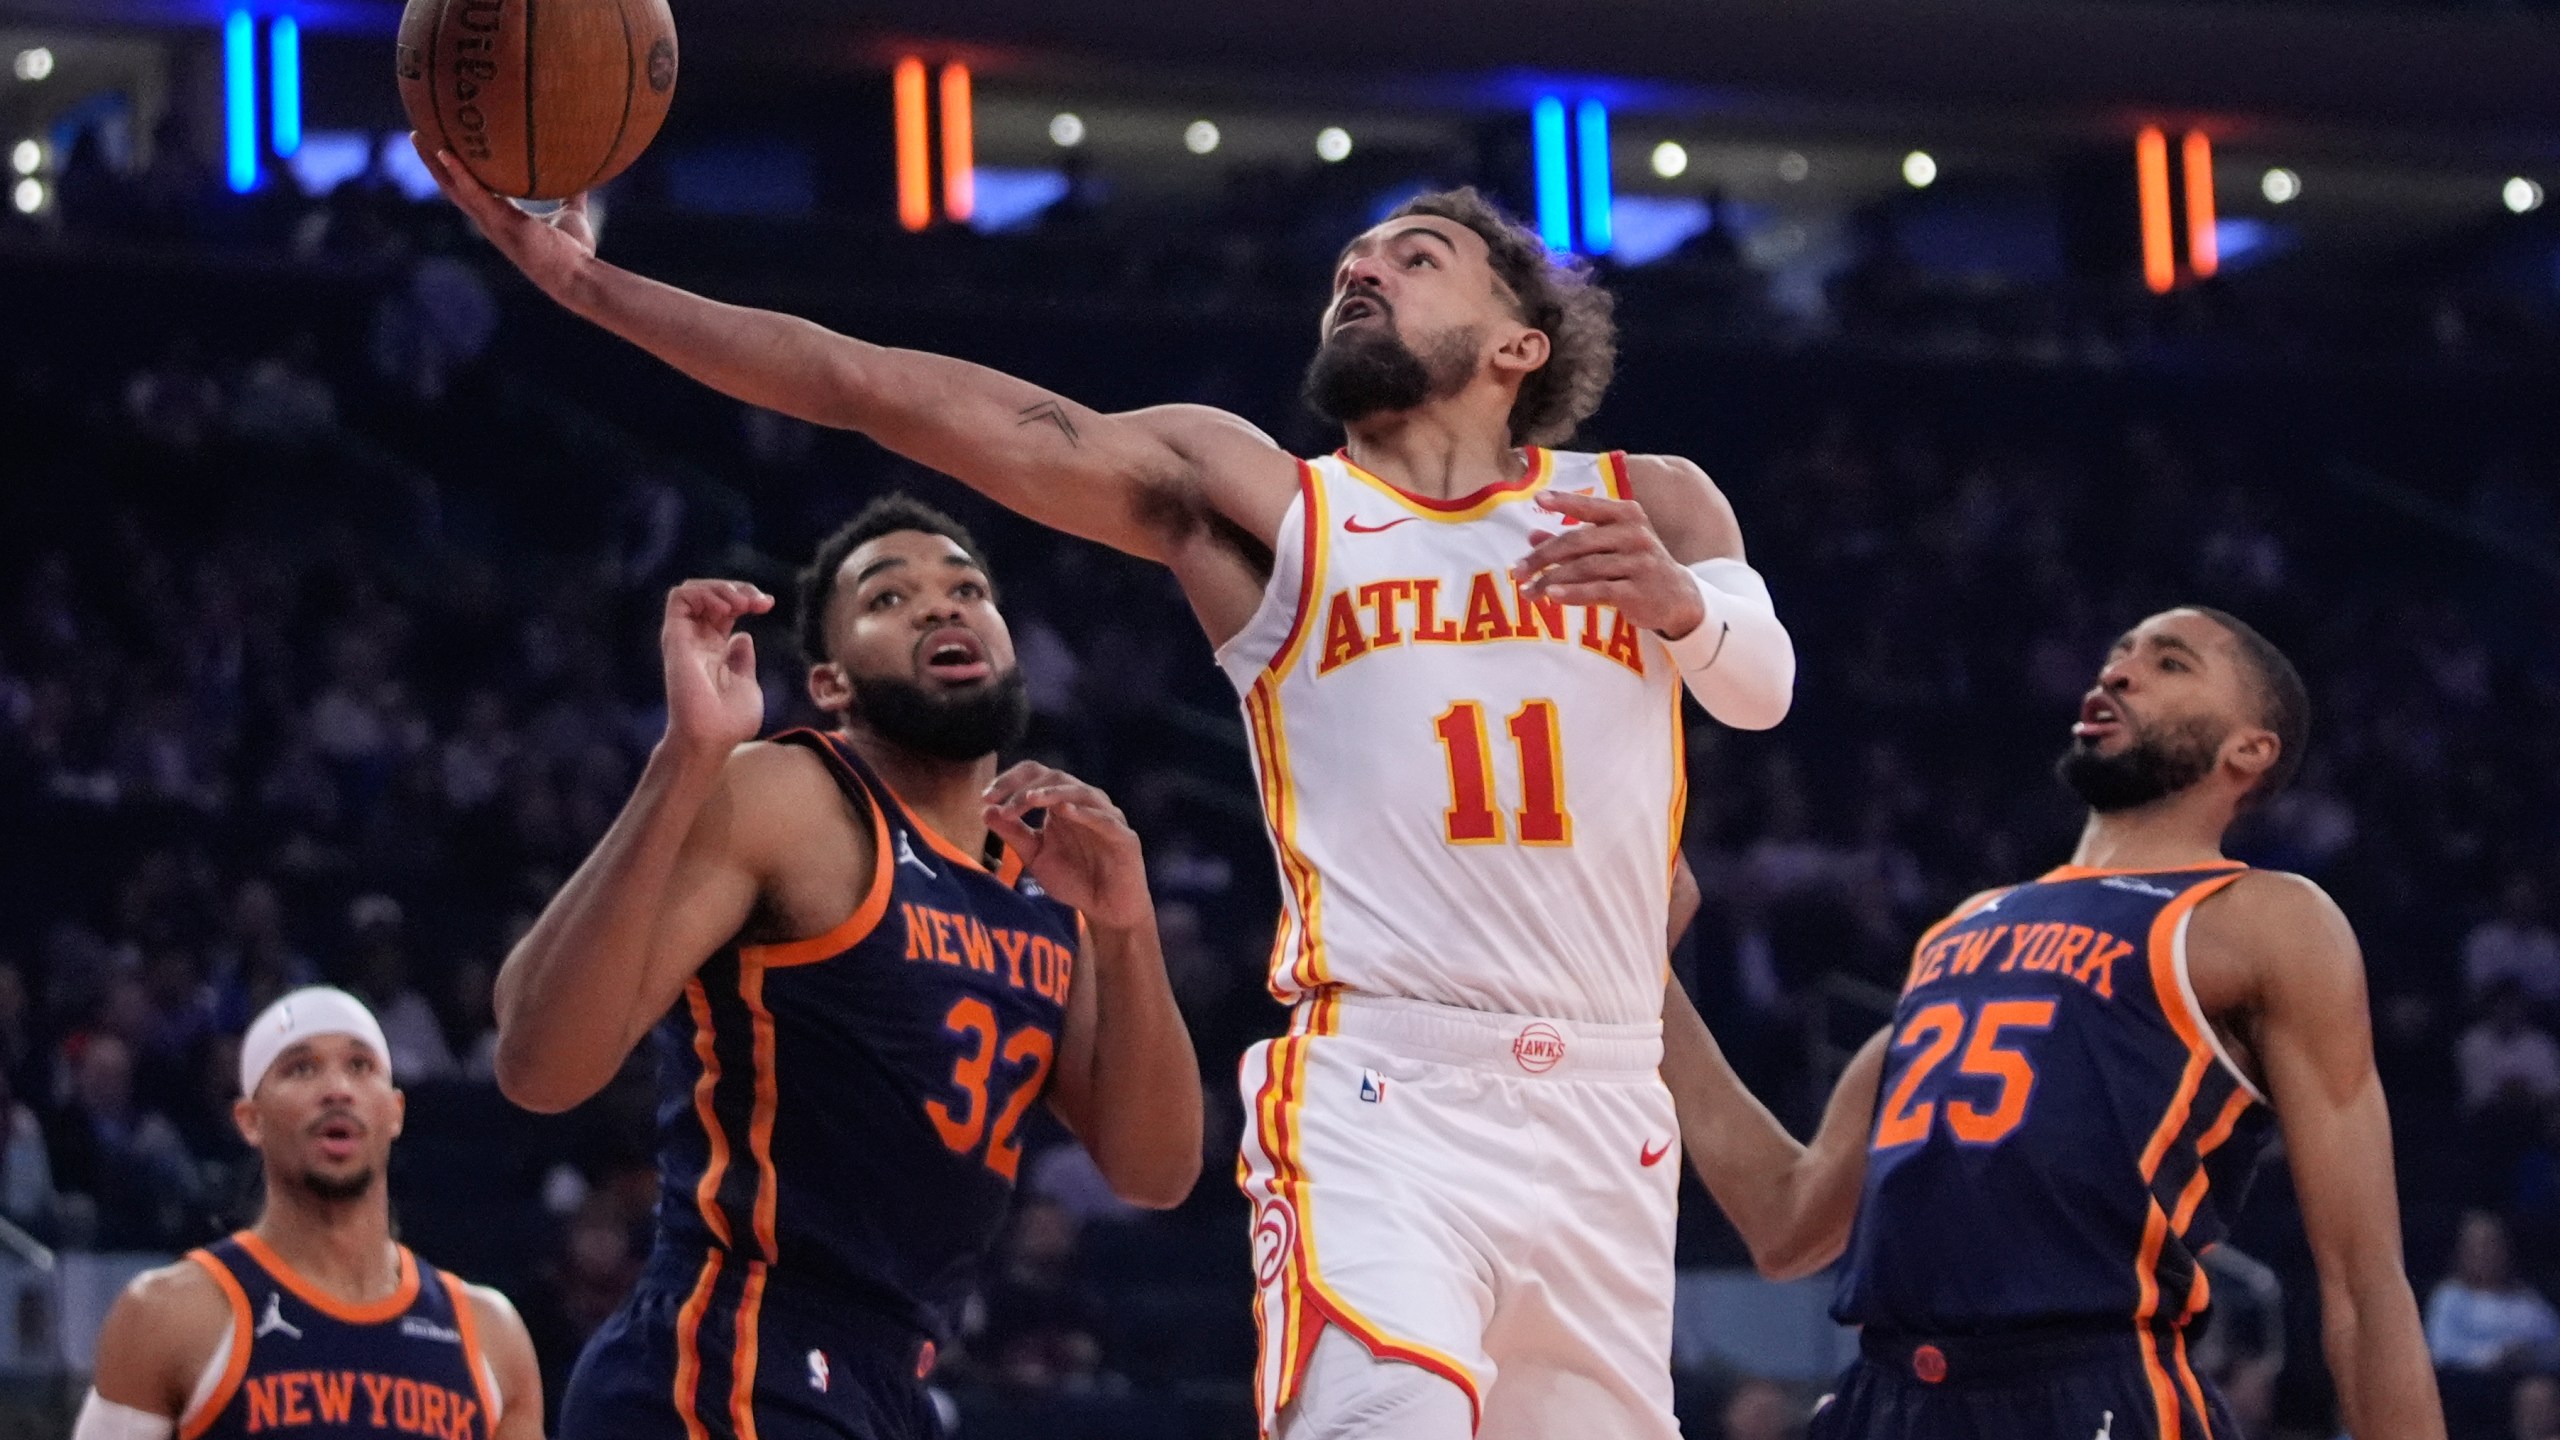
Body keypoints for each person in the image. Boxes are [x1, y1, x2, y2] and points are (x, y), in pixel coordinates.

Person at [428, 135, 1793, 1440]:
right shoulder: (1267, 506)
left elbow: (1763, 685)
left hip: (1607, 1106)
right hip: (1389, 1092)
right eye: (1352, 260)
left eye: (1418, 254)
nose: (1362, 269)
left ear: (1519, 342)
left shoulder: (1649, 504)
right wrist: (593, 288)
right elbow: (873, 383)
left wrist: (1679, 607)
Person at [489, 498, 1203, 1440]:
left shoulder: (1046, 881)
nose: (942, 608)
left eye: (967, 588)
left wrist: (1127, 925)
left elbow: (1155, 1170)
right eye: (890, 597)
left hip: (887, 1381)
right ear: (830, 681)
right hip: (736, 1348)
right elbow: (539, 1062)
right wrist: (688, 759)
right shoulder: (790, 795)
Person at [1662, 608, 2443, 1438]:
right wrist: (1642, 969)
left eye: (2169, 664)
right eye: (2115, 658)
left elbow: (2364, 1285)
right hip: (1886, 1393)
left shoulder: (2264, 919)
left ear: (2246, 750)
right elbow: (1788, 1222)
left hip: (2091, 1387)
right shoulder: (1968, 926)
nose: (2118, 674)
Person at [78, 987, 542, 1439]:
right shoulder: (167, 1315)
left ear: (395, 1112)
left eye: (360, 1066)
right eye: (301, 1069)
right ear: (250, 1120)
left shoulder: (489, 1334)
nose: (337, 1090)